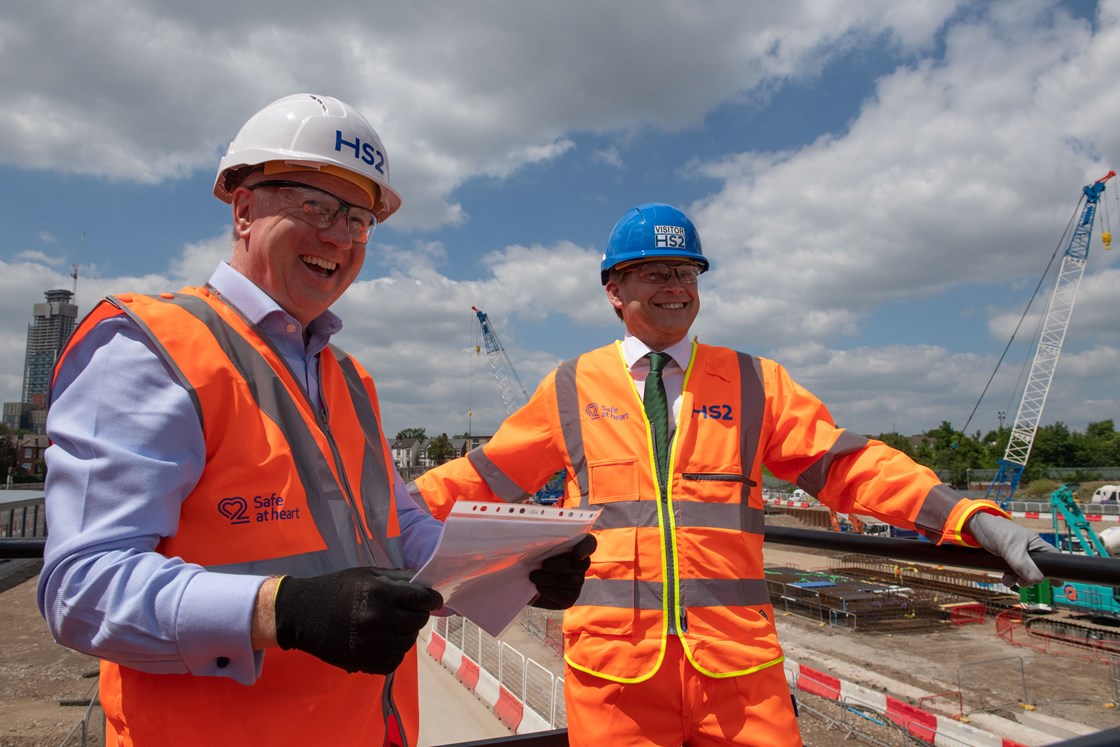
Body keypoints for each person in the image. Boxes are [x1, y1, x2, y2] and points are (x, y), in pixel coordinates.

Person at [37, 93, 593, 747]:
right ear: (243, 210)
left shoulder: (348, 380)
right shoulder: (150, 349)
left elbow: (401, 530)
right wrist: (284, 610)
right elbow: (81, 588)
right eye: (315, 206)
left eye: (358, 220)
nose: (339, 235)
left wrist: (514, 574)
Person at [409, 202, 1056, 747]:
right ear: (614, 290)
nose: (676, 285)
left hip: (742, 681)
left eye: (687, 271)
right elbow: (483, 476)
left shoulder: (754, 382)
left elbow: (848, 466)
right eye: (655, 271)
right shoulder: (571, 387)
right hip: (615, 684)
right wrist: (384, 515)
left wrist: (968, 517)